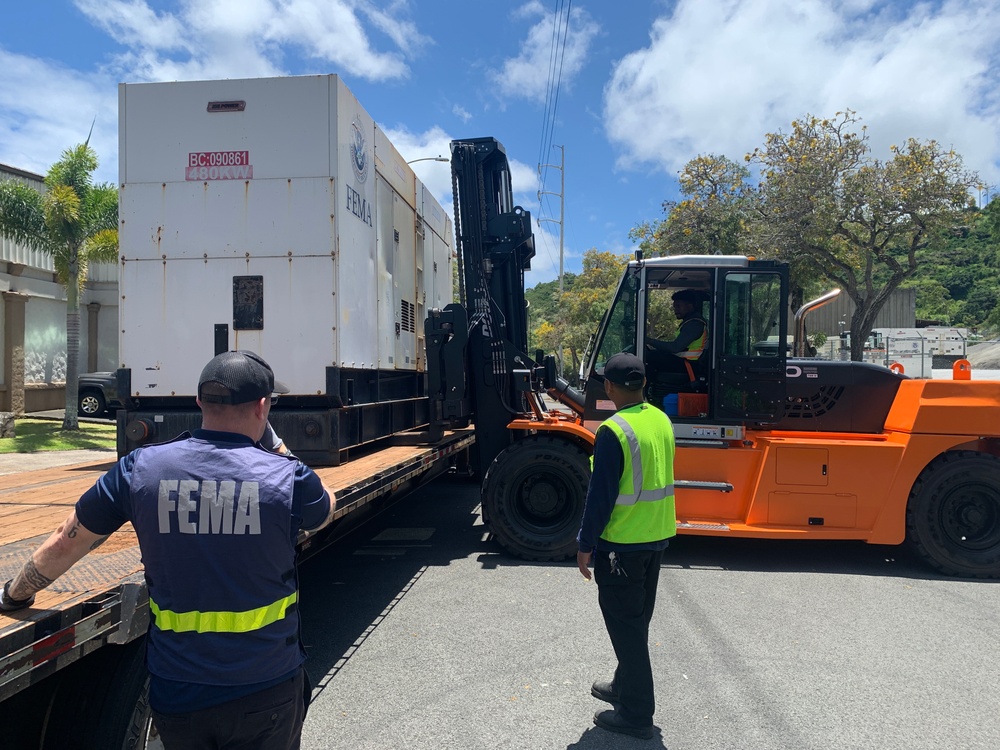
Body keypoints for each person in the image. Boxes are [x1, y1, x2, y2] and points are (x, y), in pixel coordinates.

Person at [0, 350, 333, 750]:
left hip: (179, 691)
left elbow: (67, 539)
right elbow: (324, 510)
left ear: (198, 403)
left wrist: (15, 593)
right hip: (265, 686)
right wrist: (276, 445)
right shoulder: (286, 476)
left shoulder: (139, 468)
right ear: (263, 406)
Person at [577, 352, 677, 740]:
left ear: (610, 387)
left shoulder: (613, 431)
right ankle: (624, 686)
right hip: (656, 538)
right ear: (644, 385)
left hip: (623, 545)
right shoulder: (660, 419)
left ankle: (636, 715)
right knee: (636, 621)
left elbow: (600, 497)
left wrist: (586, 544)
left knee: (627, 628)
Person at [646, 288, 709, 377]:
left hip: (689, 366)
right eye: (675, 307)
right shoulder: (689, 322)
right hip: (685, 363)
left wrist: (650, 341)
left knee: (648, 358)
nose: (675, 310)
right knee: (652, 354)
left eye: (678, 306)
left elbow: (675, 348)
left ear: (690, 306)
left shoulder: (694, 324)